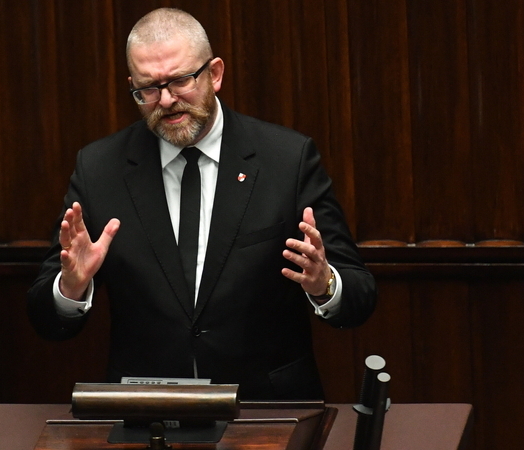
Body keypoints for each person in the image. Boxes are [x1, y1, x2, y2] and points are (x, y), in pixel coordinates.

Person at [27, 7, 376, 400]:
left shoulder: (287, 159)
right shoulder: (99, 169)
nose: (166, 100)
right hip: (149, 412)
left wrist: (325, 284)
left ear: (215, 73)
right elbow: (45, 319)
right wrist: (71, 288)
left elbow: (359, 296)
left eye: (180, 81)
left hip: (266, 407)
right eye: (148, 89)